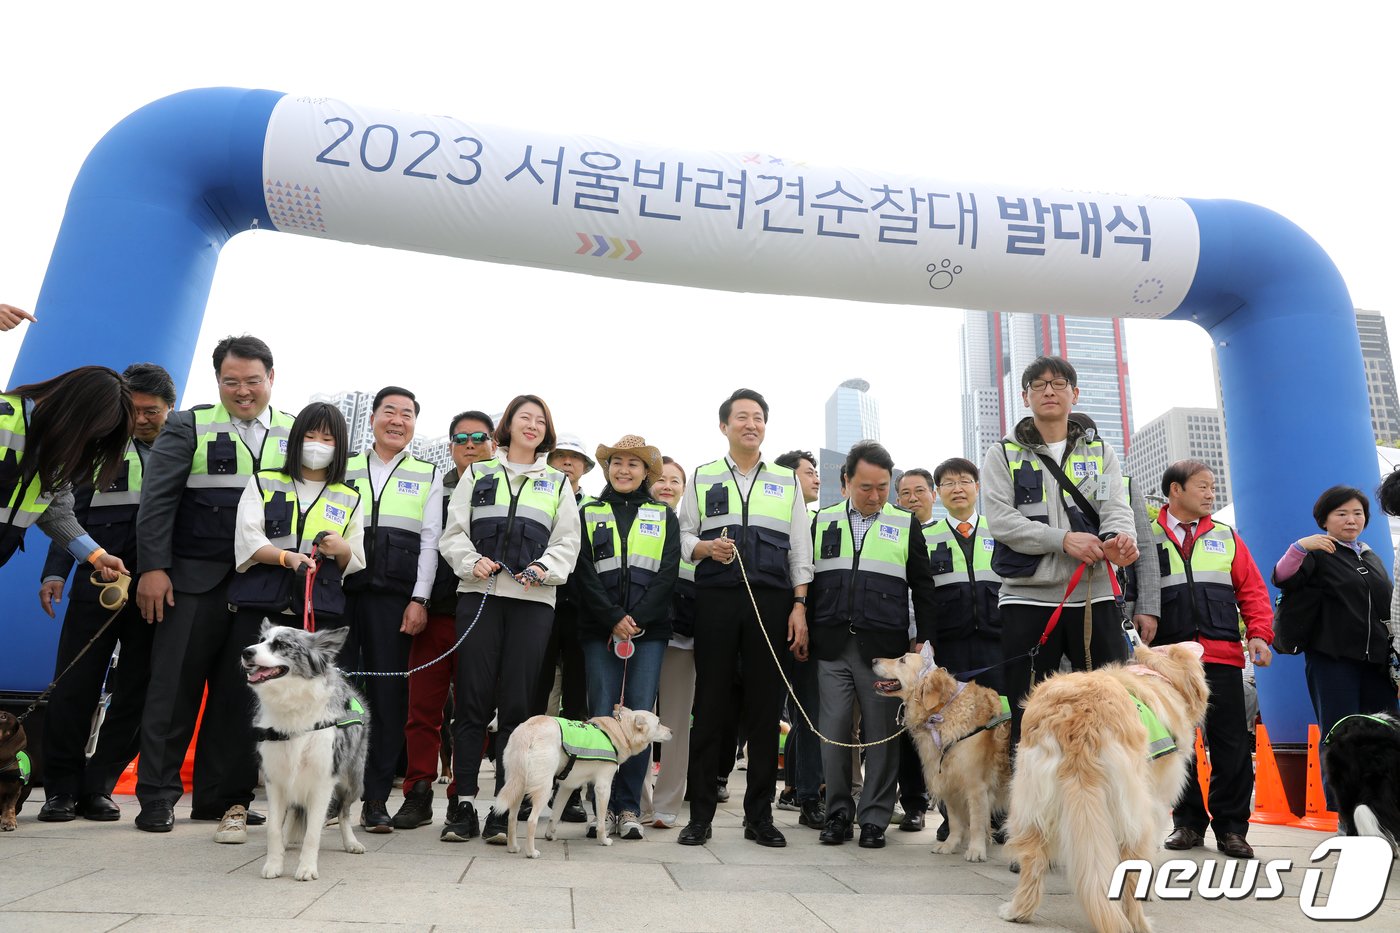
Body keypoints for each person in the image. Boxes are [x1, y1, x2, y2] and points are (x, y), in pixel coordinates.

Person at [134, 335, 296, 838]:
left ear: (271, 378)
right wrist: (154, 568)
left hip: (261, 587)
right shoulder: (188, 424)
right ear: (218, 381)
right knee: (173, 688)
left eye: (253, 380)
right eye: (232, 381)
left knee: (239, 698)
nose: (243, 391)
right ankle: (158, 798)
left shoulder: (296, 432)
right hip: (191, 581)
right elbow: (157, 502)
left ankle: (222, 798)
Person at [35, 363, 175, 823]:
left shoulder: (185, 449)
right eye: (130, 409)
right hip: (98, 579)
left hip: (157, 590)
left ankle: (100, 786)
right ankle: (60, 788)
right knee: (73, 685)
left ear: (169, 408)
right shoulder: (97, 446)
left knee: (136, 691)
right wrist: (55, 572)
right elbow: (62, 509)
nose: (139, 418)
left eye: (150, 411)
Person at [438, 394, 580, 844]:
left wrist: (544, 569)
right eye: (524, 417)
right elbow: (453, 532)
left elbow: (567, 543)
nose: (532, 425)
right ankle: (461, 806)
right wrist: (470, 561)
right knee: (472, 703)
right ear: (509, 425)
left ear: (547, 431)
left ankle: (504, 808)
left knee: (519, 708)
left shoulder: (558, 483)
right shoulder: (479, 473)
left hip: (533, 604)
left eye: (540, 420)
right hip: (479, 597)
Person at [981, 356, 1139, 754]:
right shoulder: (1002, 453)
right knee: (1031, 713)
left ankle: (1107, 808)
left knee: (1108, 707)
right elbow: (1001, 521)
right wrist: (1063, 540)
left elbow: (1116, 508)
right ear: (1025, 396)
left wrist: (1120, 539)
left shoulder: (1100, 450)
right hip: (1027, 597)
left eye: (1058, 383)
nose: (1048, 390)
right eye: (1038, 384)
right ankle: (1035, 813)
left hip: (1095, 593)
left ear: (1075, 393)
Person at [678, 388, 811, 848]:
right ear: (724, 426)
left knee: (764, 711)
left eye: (758, 418)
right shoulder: (703, 475)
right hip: (715, 600)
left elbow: (800, 549)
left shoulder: (785, 480)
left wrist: (799, 606)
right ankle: (699, 817)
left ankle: (759, 816)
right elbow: (682, 536)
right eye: (741, 418)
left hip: (771, 603)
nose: (750, 424)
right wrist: (704, 548)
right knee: (711, 708)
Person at [810, 441, 936, 849]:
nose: (875, 495)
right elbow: (805, 579)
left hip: (883, 650)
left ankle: (875, 819)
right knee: (833, 733)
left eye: (883, 487)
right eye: (865, 486)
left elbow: (924, 586)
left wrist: (922, 642)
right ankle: (838, 813)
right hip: (830, 644)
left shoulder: (904, 522)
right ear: (845, 481)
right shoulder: (821, 520)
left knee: (883, 735)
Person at [1150, 460, 1272, 860]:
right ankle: (1186, 823)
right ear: (1175, 491)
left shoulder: (1226, 536)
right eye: (1201, 486)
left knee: (1231, 744)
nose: (1209, 494)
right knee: (1174, 744)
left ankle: (1232, 828)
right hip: (1167, 661)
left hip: (1221, 655)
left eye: (1212, 487)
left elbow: (1252, 590)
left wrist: (1258, 634)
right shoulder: (1147, 537)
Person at [343, 387, 443, 833]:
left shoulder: (428, 473)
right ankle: (328, 796)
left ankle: (375, 799)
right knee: (334, 693)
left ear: (415, 424)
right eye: (390, 411)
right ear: (372, 419)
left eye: (407, 414)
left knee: (386, 700)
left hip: (394, 601)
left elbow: (430, 540)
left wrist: (419, 598)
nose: (397, 420)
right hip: (340, 594)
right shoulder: (342, 466)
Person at [573, 435, 680, 840]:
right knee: (601, 715)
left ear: (646, 472)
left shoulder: (663, 516)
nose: (623, 469)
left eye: (633, 464)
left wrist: (635, 620)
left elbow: (667, 575)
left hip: (648, 634)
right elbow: (582, 571)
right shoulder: (589, 511)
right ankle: (600, 808)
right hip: (599, 630)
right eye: (617, 462)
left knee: (640, 716)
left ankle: (629, 807)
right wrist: (613, 618)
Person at [394, 411, 495, 830]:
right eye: (460, 439)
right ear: (450, 446)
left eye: (478, 437)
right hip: (434, 613)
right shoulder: (435, 486)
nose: (469, 445)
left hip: (483, 614)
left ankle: (462, 797)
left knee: (472, 711)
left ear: (494, 443)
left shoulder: (506, 487)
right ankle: (418, 791)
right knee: (422, 709)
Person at [1273, 484, 1398, 807]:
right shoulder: (1317, 553)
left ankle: (1383, 809)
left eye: (1357, 513)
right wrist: (1299, 547)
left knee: (1385, 736)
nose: (1351, 520)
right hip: (1333, 661)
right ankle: (1345, 812)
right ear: (1324, 520)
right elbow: (1283, 577)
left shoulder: (1372, 557)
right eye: (1341, 513)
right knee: (1340, 736)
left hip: (1377, 664)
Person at [1, 365, 132, 573]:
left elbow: (55, 511)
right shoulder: (3, 418)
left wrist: (96, 555)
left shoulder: (56, 450)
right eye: (88, 434)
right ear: (74, 410)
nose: (84, 445)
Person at [641, 456, 696, 829]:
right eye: (660, 479)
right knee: (639, 720)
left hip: (683, 641)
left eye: (675, 481)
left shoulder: (691, 531)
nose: (667, 485)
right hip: (642, 638)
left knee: (676, 722)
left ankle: (668, 804)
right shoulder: (635, 523)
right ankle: (638, 801)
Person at [772, 448, 825, 831]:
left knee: (809, 716)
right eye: (808, 472)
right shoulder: (774, 520)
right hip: (773, 624)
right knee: (765, 714)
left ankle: (808, 797)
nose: (816, 478)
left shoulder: (823, 522)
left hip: (812, 631)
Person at [536, 433, 593, 722]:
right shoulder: (535, 498)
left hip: (581, 606)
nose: (567, 462)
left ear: (585, 466)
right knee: (538, 683)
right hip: (540, 598)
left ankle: (575, 758)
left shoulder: (594, 507)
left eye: (575, 458)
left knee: (577, 687)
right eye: (560, 456)